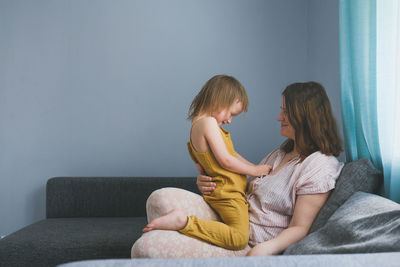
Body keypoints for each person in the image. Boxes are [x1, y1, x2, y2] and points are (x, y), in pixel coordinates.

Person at [132, 81, 344, 258]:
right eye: (281, 111)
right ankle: (185, 225)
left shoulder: (319, 166)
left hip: (246, 241)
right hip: (234, 216)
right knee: (158, 199)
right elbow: (242, 179)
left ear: (305, 117)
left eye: (285, 112)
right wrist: (205, 179)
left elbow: (300, 228)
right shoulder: (280, 153)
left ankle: (184, 224)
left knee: (146, 248)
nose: (279, 117)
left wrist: (265, 249)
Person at [142, 74, 272, 250]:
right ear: (219, 99)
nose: (229, 120)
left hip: (227, 192)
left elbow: (232, 155)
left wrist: (255, 167)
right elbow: (226, 160)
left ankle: (185, 222)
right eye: (231, 113)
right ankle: (183, 222)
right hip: (228, 194)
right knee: (239, 238)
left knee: (237, 232)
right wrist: (255, 171)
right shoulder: (207, 123)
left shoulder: (201, 125)